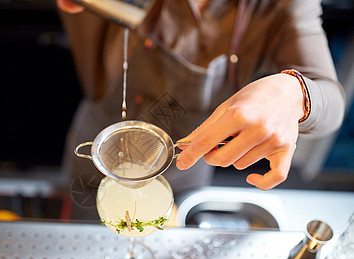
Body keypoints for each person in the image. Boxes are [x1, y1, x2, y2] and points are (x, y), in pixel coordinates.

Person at [57, 0, 345, 194]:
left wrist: (294, 92)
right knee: (86, 213)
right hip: (99, 139)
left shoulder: (285, 6)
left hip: (182, 165)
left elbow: (331, 99)